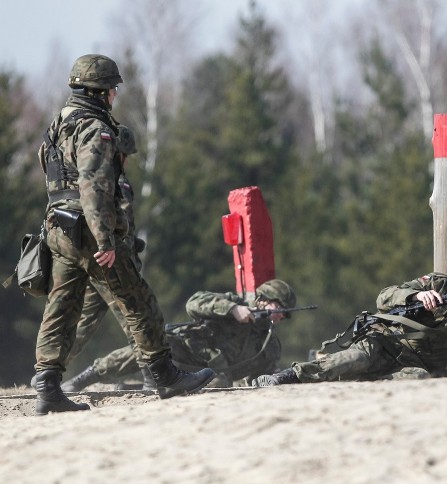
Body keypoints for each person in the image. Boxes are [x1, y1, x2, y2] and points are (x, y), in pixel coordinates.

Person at [33, 53, 214, 415]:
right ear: (99, 92)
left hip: (58, 226)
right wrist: (105, 240)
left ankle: (47, 386)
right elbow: (94, 186)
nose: (115, 95)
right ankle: (164, 375)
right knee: (138, 301)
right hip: (88, 229)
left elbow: (54, 176)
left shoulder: (58, 124)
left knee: (62, 307)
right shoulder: (94, 129)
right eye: (112, 89)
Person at [252, 253, 447, 387]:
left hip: (411, 366)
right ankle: (283, 378)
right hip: (384, 343)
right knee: (350, 361)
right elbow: (384, 297)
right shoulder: (438, 285)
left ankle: (360, 383)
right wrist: (417, 298)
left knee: (419, 380)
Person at [62, 279, 299, 390]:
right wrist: (233, 310)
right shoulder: (235, 302)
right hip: (187, 348)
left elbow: (263, 377)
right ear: (263, 299)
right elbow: (195, 303)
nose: (280, 317)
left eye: (284, 315)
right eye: (279, 308)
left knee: (218, 382)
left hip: (208, 374)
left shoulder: (269, 345)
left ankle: (137, 389)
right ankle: (88, 377)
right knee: (152, 349)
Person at [58, 125, 153, 392]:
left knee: (81, 324)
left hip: (94, 260)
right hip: (113, 264)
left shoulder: (92, 178)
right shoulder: (116, 183)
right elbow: (120, 223)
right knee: (137, 317)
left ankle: (48, 372)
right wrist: (129, 249)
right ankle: (151, 376)